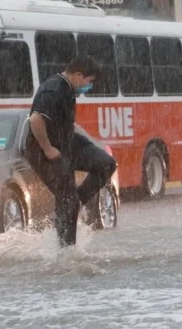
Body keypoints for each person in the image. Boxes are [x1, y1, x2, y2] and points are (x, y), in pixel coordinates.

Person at [27, 56, 117, 247]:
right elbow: (35, 120)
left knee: (106, 164)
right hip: (44, 152)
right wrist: (48, 148)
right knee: (66, 199)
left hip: (67, 143)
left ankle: (78, 199)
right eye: (89, 81)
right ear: (78, 75)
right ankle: (66, 251)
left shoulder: (68, 88)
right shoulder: (53, 90)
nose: (89, 87)